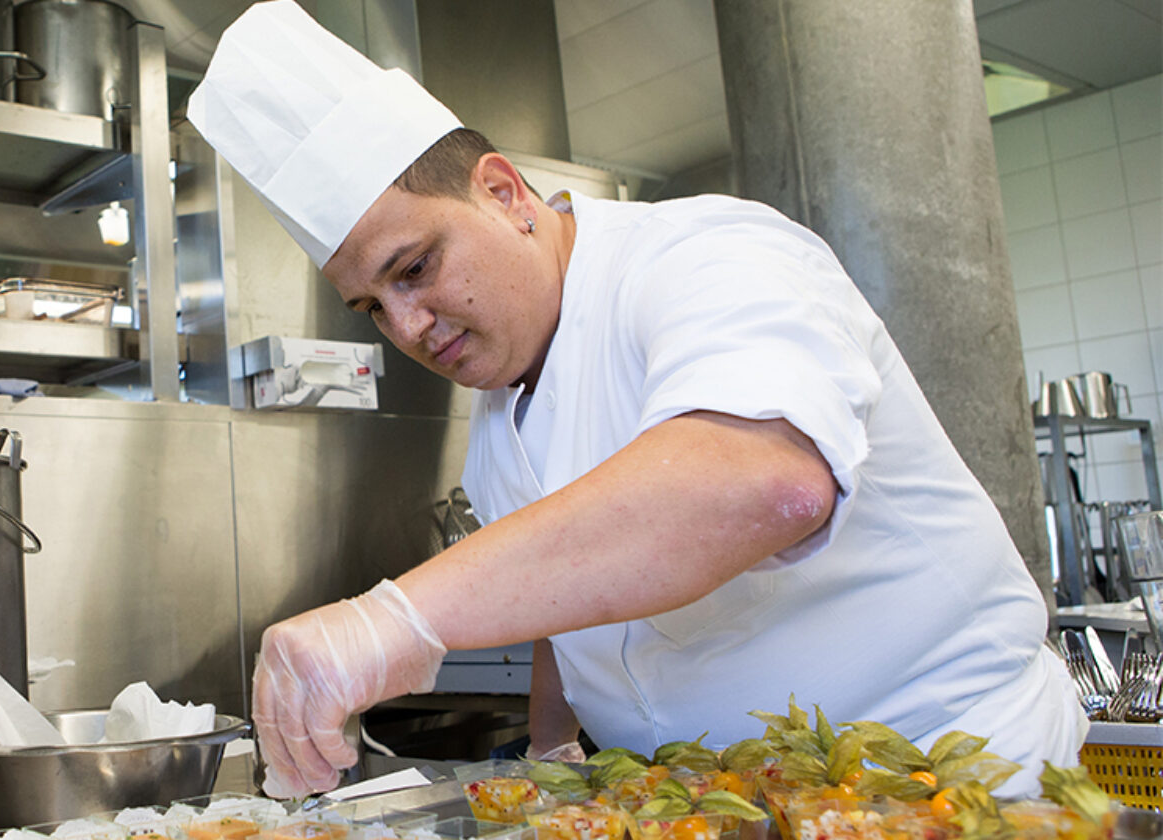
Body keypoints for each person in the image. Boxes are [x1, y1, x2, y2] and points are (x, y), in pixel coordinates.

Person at [187, 0, 1084, 800]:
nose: (411, 325)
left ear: (504, 193)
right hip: (710, 806)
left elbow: (762, 483)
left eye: (416, 268)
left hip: (946, 779)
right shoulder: (501, 412)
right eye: (374, 308)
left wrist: (396, 618)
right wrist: (552, 753)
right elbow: (566, 602)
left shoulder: (706, 255)